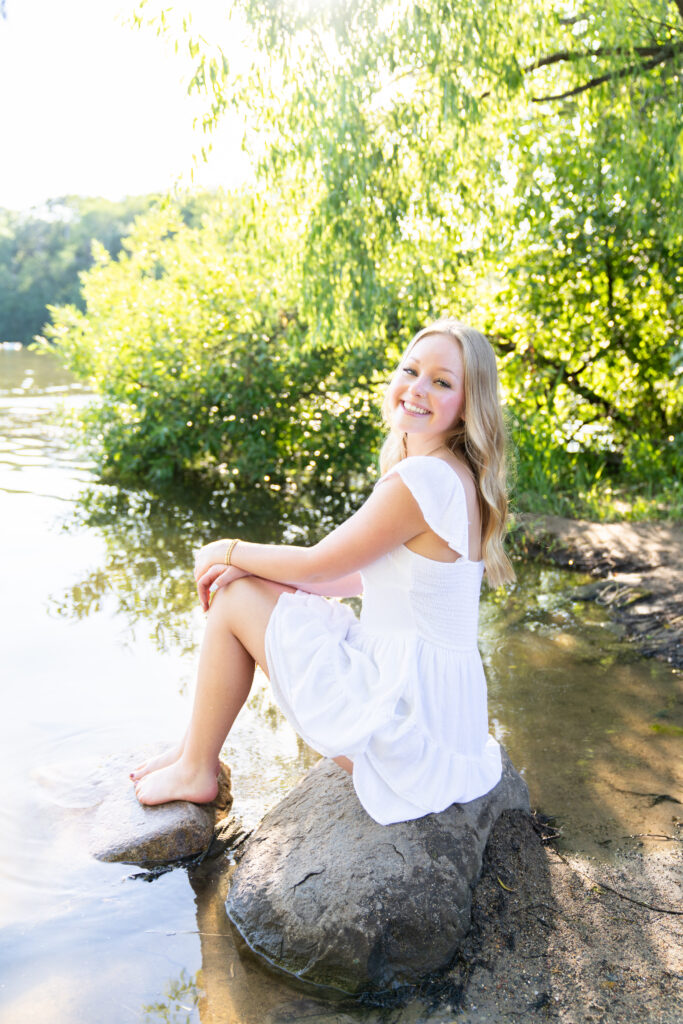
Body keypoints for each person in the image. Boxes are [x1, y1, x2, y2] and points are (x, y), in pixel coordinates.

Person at [132, 318, 515, 824]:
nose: (418, 388)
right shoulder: (455, 472)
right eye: (411, 370)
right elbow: (362, 579)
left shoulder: (423, 480)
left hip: (409, 729)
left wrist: (228, 550)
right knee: (249, 589)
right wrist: (264, 579)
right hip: (442, 720)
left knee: (231, 598)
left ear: (468, 405)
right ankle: (189, 748)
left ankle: (197, 768)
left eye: (442, 382)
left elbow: (320, 561)